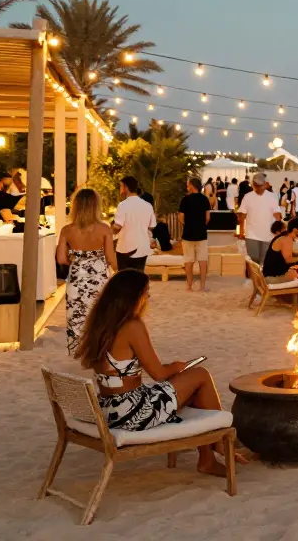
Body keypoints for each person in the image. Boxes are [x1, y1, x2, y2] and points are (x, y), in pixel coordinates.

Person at [75, 269, 246, 477]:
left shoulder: (100, 324)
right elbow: (158, 373)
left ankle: (209, 455)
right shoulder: (132, 326)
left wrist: (173, 372)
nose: (148, 297)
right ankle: (216, 446)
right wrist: (176, 366)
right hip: (134, 413)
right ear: (133, 297)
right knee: (200, 375)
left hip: (109, 409)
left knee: (187, 386)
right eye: (146, 292)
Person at [57, 188, 116, 356]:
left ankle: (78, 352)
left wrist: (74, 259)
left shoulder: (67, 230)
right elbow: (111, 258)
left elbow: (61, 259)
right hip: (99, 278)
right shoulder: (104, 229)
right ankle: (99, 350)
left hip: (77, 278)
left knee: (76, 316)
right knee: (100, 315)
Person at [236, 172, 282, 265]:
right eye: (256, 185)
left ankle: (262, 278)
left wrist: (279, 232)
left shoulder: (272, 196)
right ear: (253, 184)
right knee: (253, 260)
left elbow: (277, 215)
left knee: (265, 261)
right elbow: (242, 216)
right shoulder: (247, 197)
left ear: (265, 184)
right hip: (251, 234)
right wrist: (241, 233)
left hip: (268, 234)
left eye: (260, 185)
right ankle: (254, 278)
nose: (258, 188)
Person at [111, 176, 156, 271]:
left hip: (125, 248)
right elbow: (151, 226)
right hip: (142, 248)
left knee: (124, 278)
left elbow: (117, 226)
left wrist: (108, 231)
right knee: (138, 278)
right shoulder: (147, 205)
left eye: (120, 186)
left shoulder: (123, 205)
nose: (120, 189)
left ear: (126, 187)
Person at [179, 177, 212, 292]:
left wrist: (188, 224)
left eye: (188, 184)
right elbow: (207, 217)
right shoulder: (204, 199)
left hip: (188, 234)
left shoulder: (185, 199)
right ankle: (202, 286)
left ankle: (189, 286)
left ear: (192, 186)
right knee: (203, 260)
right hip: (201, 234)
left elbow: (181, 218)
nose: (187, 186)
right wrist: (200, 225)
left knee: (189, 261)